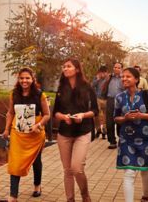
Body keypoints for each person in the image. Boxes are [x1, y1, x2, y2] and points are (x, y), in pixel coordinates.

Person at [1, 67, 51, 202]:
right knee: (15, 162)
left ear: (32, 79)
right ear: (18, 79)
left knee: (36, 161)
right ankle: (13, 196)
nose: (24, 81)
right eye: (22, 78)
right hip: (18, 133)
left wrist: (39, 125)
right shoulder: (14, 94)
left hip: (35, 134)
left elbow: (47, 115)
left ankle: (37, 186)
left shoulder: (40, 94)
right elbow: (11, 113)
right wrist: (6, 129)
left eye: (27, 78)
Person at [53, 58, 98, 202]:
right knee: (67, 171)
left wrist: (83, 115)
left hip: (82, 132)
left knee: (77, 168)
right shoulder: (61, 88)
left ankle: (85, 195)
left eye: (68, 66)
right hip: (64, 133)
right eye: (64, 66)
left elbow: (95, 111)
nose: (65, 69)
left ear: (77, 69)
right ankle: (70, 199)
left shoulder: (87, 87)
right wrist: (64, 117)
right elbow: (56, 112)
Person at [114, 67, 148, 202]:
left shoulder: (147, 95)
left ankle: (145, 197)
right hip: (126, 140)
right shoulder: (119, 97)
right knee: (129, 173)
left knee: (145, 170)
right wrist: (125, 118)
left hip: (145, 140)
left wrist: (141, 115)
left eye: (128, 76)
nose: (124, 79)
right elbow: (115, 118)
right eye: (123, 76)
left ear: (136, 79)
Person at [102, 62, 124, 149]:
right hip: (110, 100)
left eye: (118, 68)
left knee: (121, 122)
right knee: (109, 122)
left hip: (121, 101)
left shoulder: (124, 78)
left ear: (121, 69)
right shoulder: (109, 77)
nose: (116, 69)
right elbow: (104, 87)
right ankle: (112, 141)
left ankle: (122, 140)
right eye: (115, 67)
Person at [92, 65, 108, 139]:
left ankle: (104, 131)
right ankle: (98, 130)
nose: (103, 74)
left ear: (106, 73)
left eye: (104, 73)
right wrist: (97, 79)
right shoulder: (96, 78)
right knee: (96, 115)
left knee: (105, 116)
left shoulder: (109, 79)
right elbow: (91, 86)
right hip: (98, 99)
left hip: (106, 99)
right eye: (101, 73)